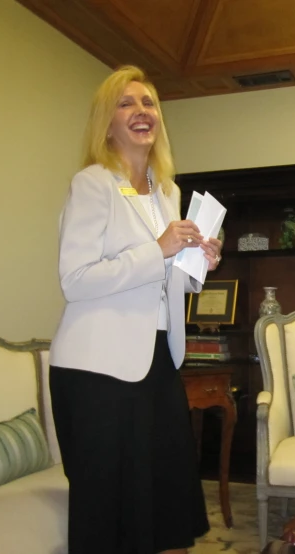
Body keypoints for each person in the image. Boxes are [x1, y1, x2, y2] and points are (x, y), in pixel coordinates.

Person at [49, 65, 222, 554]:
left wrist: (194, 263)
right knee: (108, 509)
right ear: (107, 122)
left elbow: (163, 282)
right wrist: (160, 249)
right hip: (94, 371)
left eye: (148, 103)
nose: (141, 111)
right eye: (126, 104)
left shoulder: (168, 192)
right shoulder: (92, 183)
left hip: (156, 359)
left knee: (167, 498)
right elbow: (75, 280)